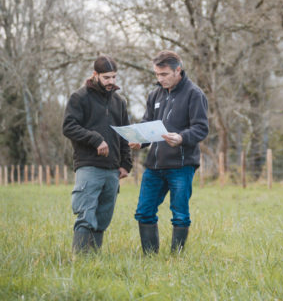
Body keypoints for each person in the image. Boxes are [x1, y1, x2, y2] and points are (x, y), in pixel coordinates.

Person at [129, 50, 208, 254]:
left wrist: (181, 138)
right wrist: (140, 140)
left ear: (178, 70)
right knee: (144, 212)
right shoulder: (154, 94)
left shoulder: (194, 94)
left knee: (180, 214)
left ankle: (176, 257)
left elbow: (201, 128)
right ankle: (150, 257)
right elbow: (148, 124)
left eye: (164, 74)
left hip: (181, 166)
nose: (160, 79)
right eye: (157, 74)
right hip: (154, 165)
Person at [62, 55, 132, 253]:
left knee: (103, 218)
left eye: (114, 77)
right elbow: (68, 127)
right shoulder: (80, 97)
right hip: (89, 165)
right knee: (86, 215)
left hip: (112, 169)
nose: (111, 82)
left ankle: (93, 261)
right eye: (107, 77)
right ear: (95, 75)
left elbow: (125, 134)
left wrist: (126, 164)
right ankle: (81, 261)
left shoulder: (119, 102)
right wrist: (95, 139)